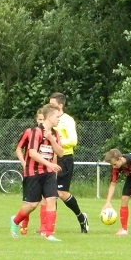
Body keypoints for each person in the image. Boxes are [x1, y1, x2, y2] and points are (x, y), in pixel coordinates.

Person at [9, 104, 63, 241]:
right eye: (57, 117)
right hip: (33, 172)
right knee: (32, 205)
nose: (59, 119)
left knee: (51, 200)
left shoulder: (55, 134)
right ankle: (15, 221)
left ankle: (49, 234)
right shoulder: (36, 132)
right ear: (49, 117)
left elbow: (60, 152)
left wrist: (52, 140)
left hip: (49, 173)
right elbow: (32, 153)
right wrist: (50, 164)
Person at [48, 92, 89, 233]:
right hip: (51, 159)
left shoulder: (67, 120)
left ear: (60, 105)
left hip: (64, 159)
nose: (50, 106)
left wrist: (55, 143)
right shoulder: (50, 119)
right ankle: (49, 228)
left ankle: (81, 217)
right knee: (49, 194)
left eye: (53, 104)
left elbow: (73, 140)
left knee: (61, 193)